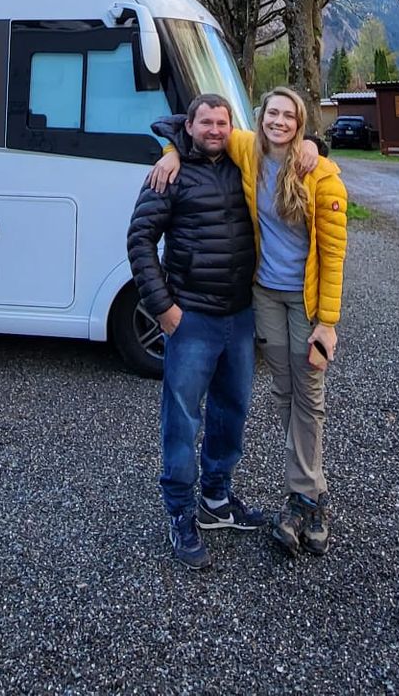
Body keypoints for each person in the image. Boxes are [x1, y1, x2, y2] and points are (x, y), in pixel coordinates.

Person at [150, 85, 349, 556]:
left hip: (304, 303)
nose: (278, 122)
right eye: (271, 114)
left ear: (300, 124)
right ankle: (296, 496)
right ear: (260, 120)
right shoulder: (247, 148)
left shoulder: (321, 176)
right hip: (262, 296)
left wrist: (328, 322)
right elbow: (188, 127)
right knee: (284, 391)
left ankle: (308, 494)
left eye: (288, 116)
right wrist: (170, 154)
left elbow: (334, 257)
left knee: (310, 392)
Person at [127, 94, 268, 570]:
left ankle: (216, 499)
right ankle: (180, 513)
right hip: (192, 319)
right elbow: (139, 239)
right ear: (188, 126)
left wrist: (311, 146)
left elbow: (288, 148)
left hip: (240, 316)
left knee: (232, 412)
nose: (214, 129)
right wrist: (163, 308)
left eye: (221, 121)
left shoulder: (240, 166)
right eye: (205, 122)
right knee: (182, 419)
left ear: (232, 126)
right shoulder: (168, 174)